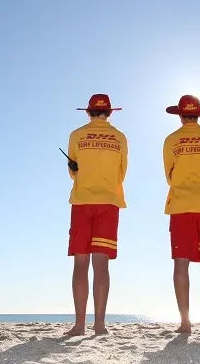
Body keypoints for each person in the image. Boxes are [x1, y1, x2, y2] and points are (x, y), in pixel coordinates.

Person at [65, 94, 128, 336]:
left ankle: (79, 325)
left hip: (82, 202)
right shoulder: (120, 137)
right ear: (110, 113)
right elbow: (122, 173)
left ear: (88, 112)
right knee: (101, 265)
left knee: (80, 264)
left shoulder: (76, 135)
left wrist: (78, 172)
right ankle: (100, 325)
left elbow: (72, 171)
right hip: (108, 203)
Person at [162, 94, 200, 335]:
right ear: (199, 115)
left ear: (180, 115)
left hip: (182, 206)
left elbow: (169, 174)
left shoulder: (171, 140)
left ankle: (185, 323)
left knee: (181, 262)